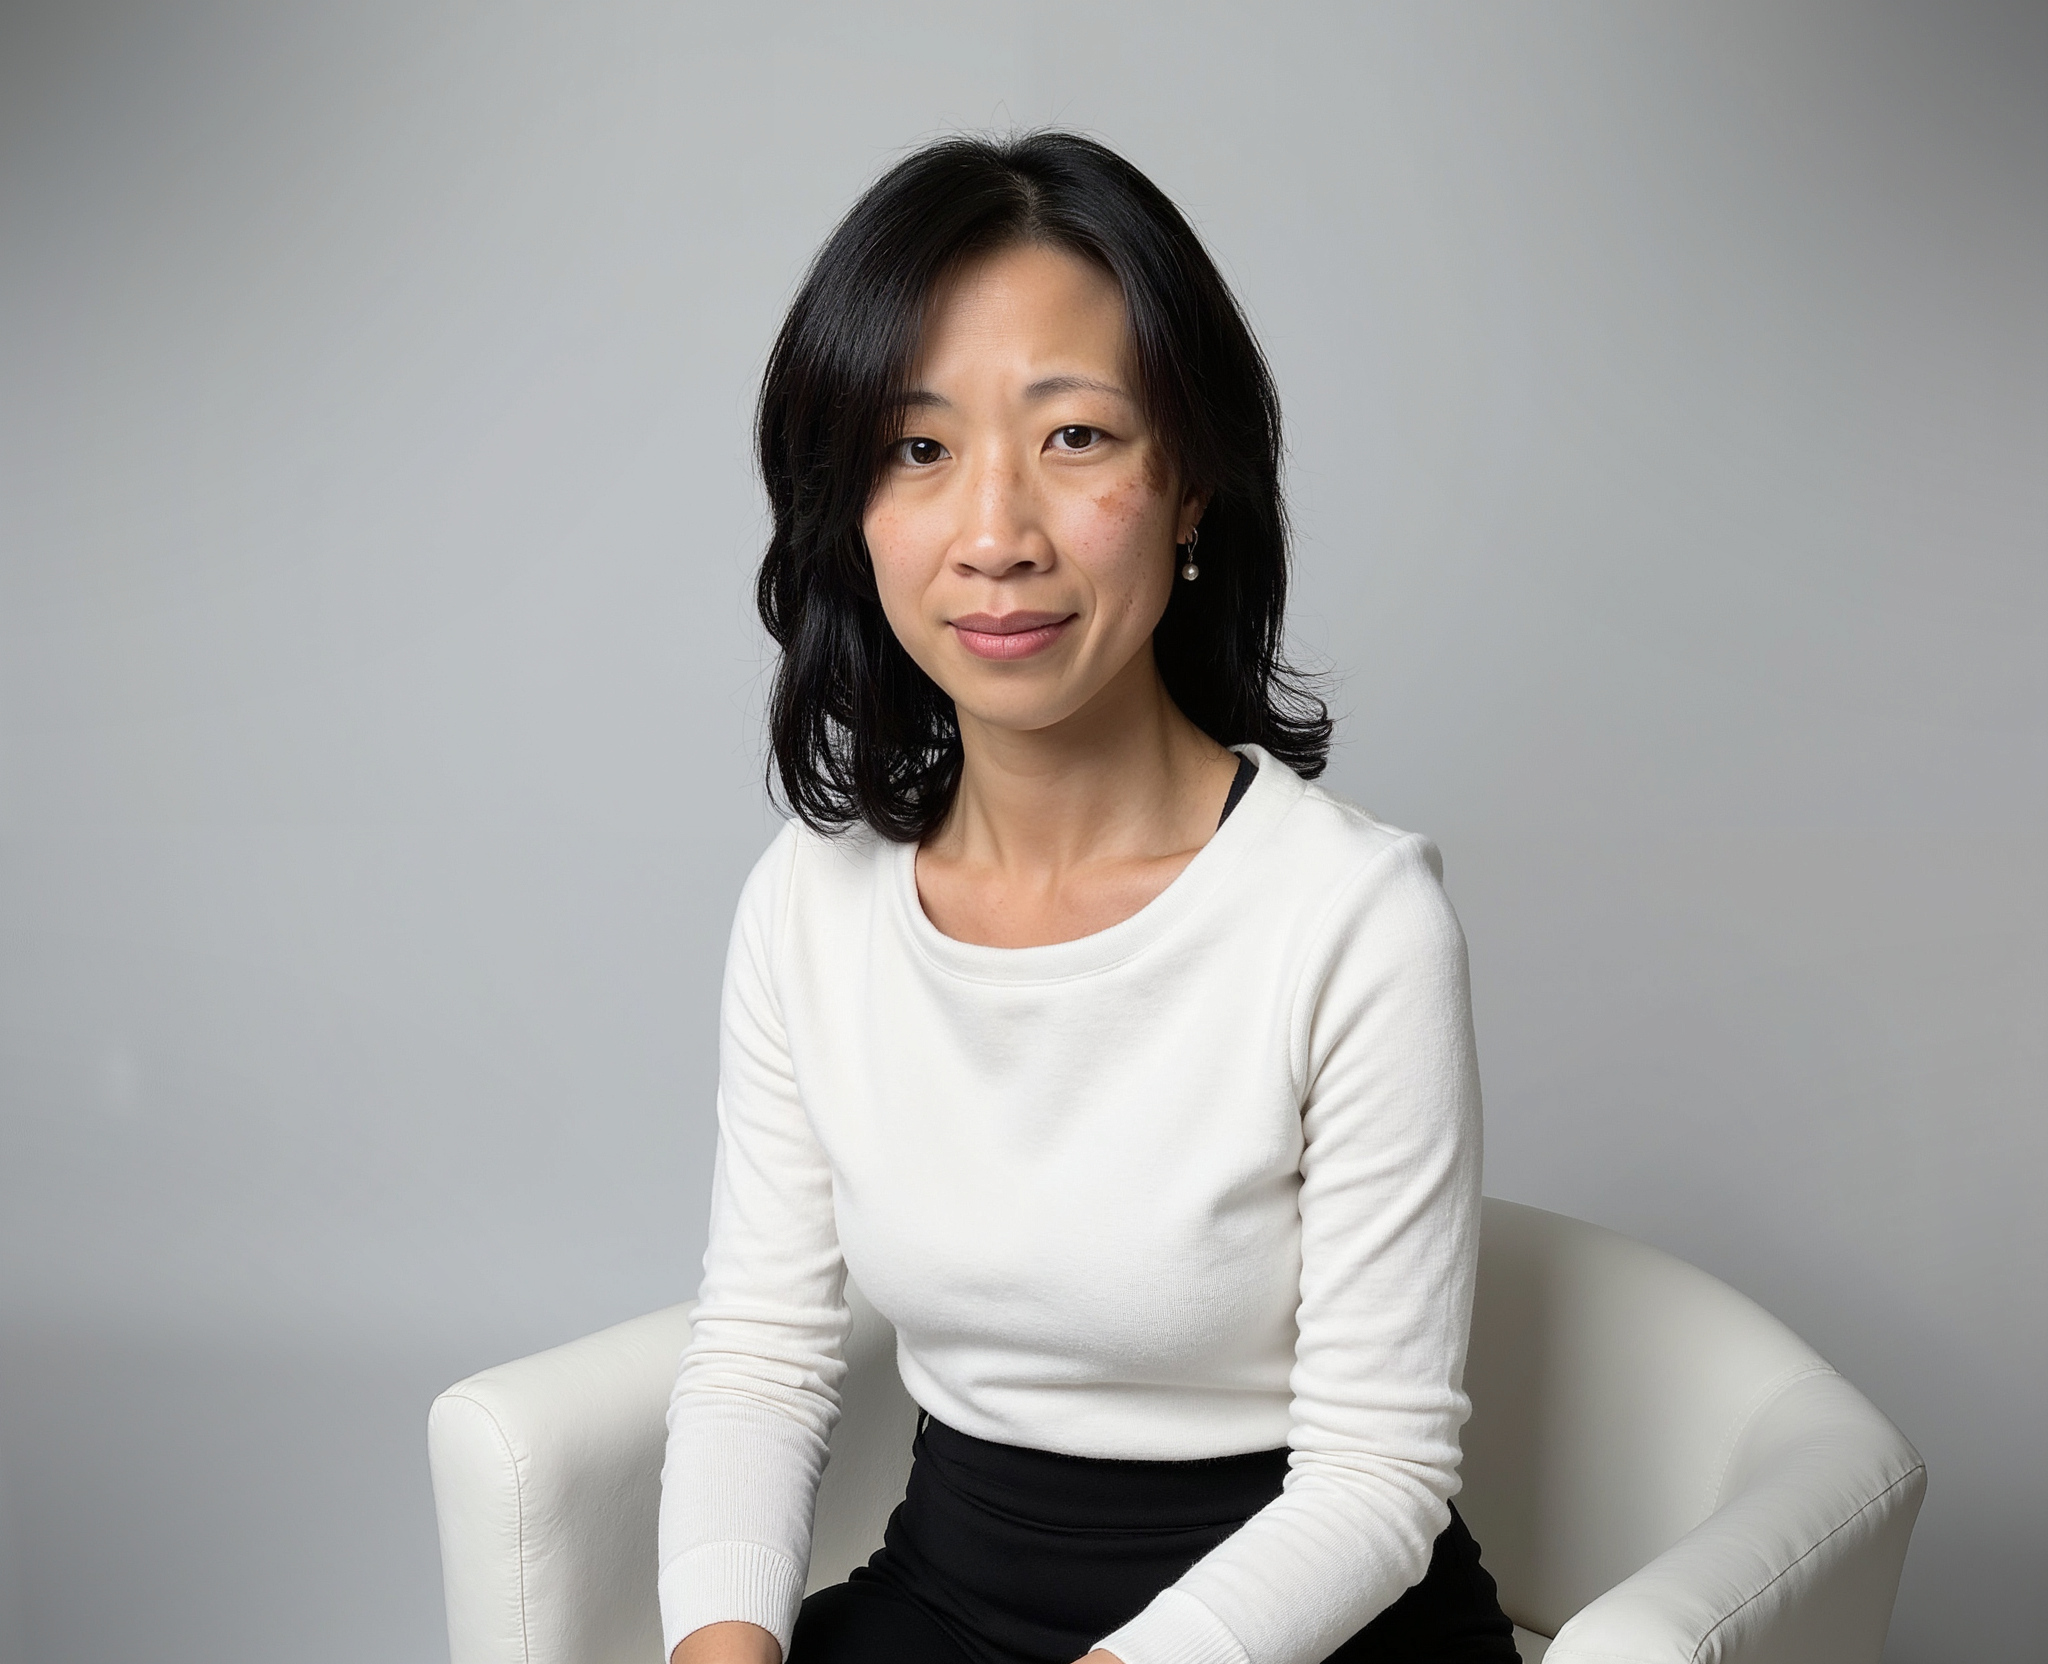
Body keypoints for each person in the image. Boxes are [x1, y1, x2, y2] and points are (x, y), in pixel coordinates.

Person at [658, 131, 1518, 1664]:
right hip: (951, 1595)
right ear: (851, 509)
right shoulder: (812, 904)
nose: (997, 536)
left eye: (1076, 438)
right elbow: (762, 1360)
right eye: (919, 451)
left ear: (1191, 486)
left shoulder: (1352, 919)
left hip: (1299, 1628)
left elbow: (1378, 1482)